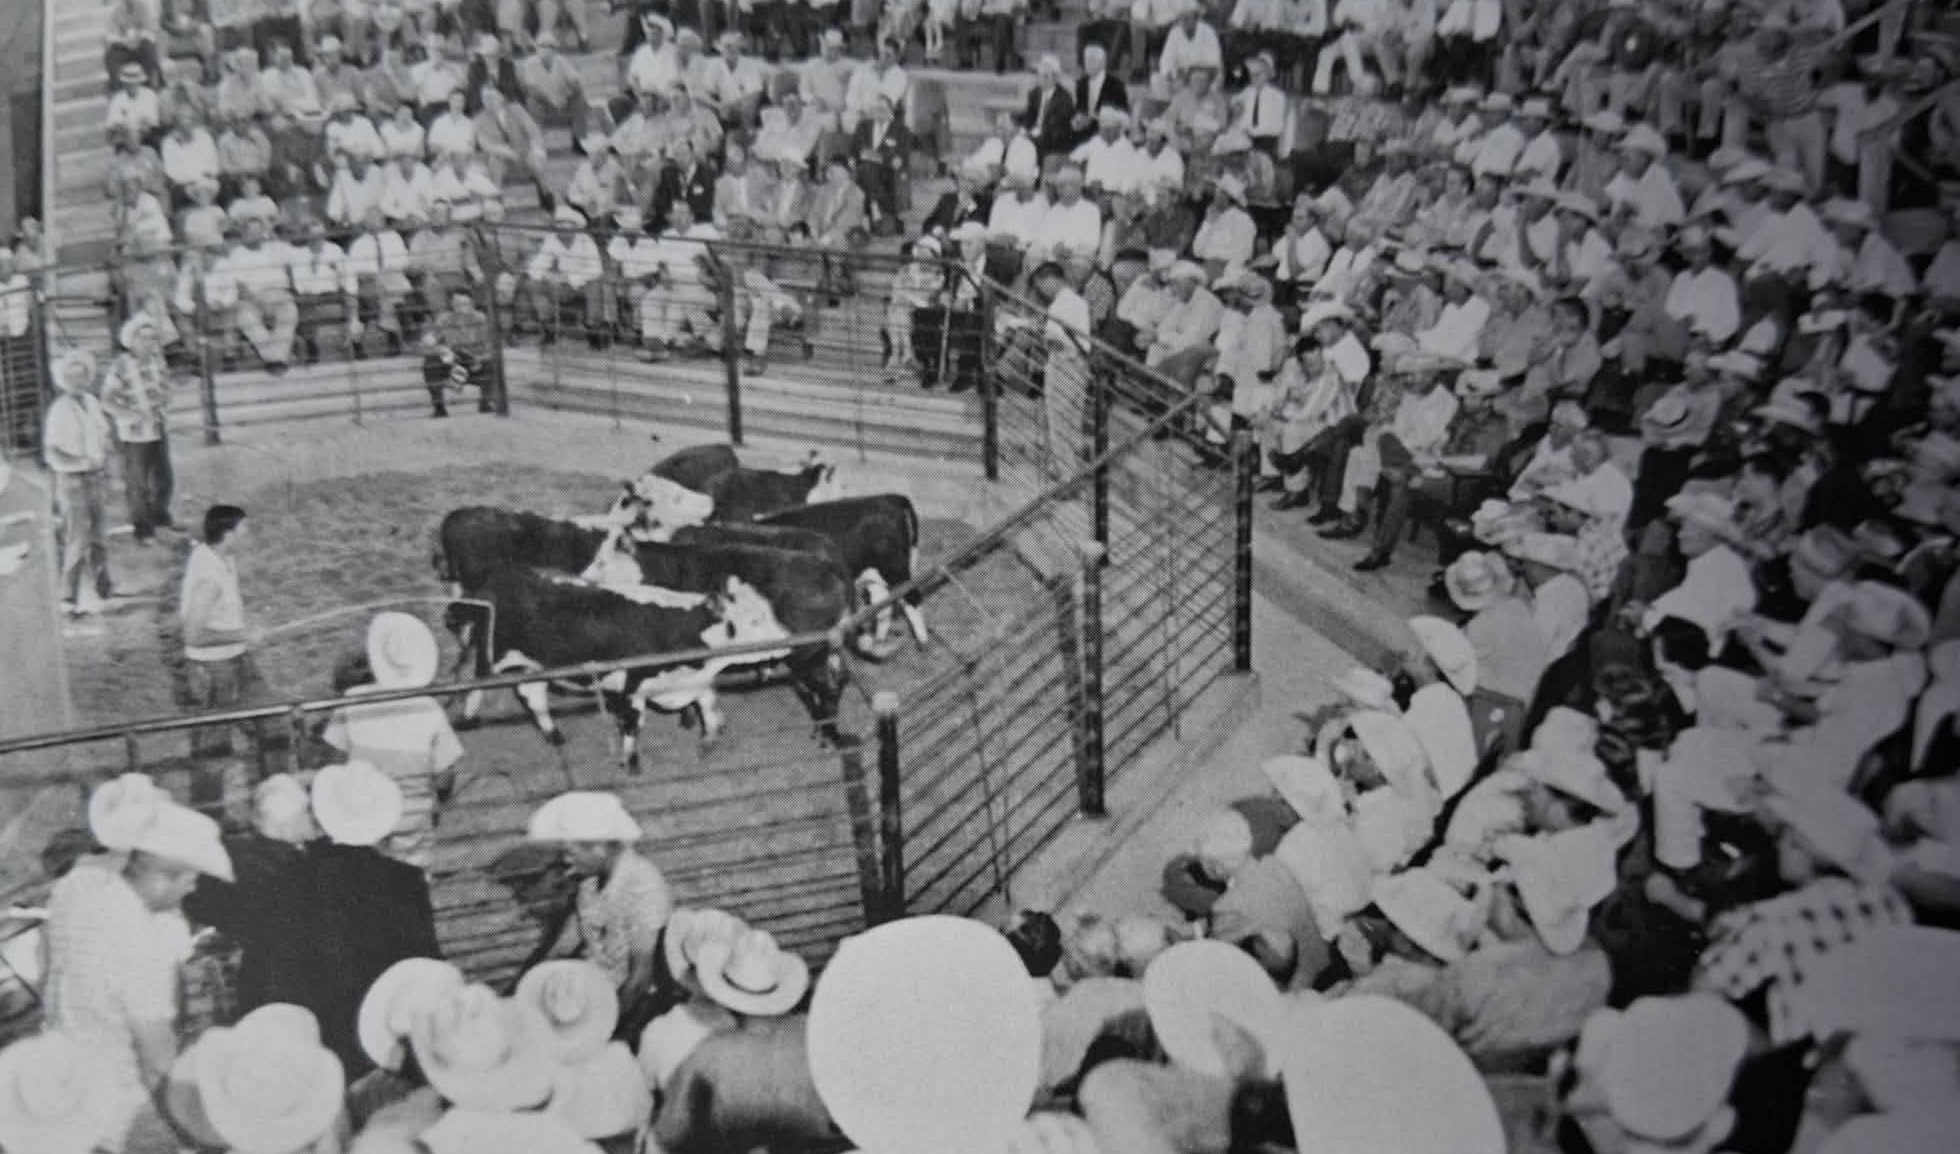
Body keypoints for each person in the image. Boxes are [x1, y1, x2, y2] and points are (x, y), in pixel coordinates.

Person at [42, 775, 233, 1153]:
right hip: (120, 1104)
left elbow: (49, 972)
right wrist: (200, 1134)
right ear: (162, 877)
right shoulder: (143, 944)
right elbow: (156, 1062)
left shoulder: (75, 886)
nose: (193, 889)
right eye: (190, 878)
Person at [323, 612, 466, 870]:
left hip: (363, 807)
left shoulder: (351, 702)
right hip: (412, 813)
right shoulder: (430, 709)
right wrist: (438, 800)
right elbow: (445, 776)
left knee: (367, 868)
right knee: (413, 870)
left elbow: (334, 762)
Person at [526, 790, 674, 1039]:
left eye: (573, 853)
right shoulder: (589, 880)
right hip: (593, 991)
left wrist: (600, 1034)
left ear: (600, 848)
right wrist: (530, 985)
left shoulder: (644, 886)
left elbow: (639, 979)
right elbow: (566, 942)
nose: (568, 861)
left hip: (632, 1005)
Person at [179, 502, 264, 809]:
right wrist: (243, 634)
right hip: (216, 669)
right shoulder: (209, 578)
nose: (249, 534)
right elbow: (193, 635)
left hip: (234, 660)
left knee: (266, 721)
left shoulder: (220, 556)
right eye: (244, 529)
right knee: (213, 745)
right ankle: (209, 812)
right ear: (228, 534)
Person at [42, 349, 116, 619]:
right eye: (71, 376)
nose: (78, 380)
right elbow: (51, 452)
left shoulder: (92, 403)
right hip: (72, 480)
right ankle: (67, 596)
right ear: (63, 379)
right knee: (77, 537)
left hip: (96, 477)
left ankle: (103, 588)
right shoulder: (58, 410)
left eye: (82, 374)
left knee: (99, 534)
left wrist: (105, 456)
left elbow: (104, 435)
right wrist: (82, 460)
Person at [99, 313, 176, 544]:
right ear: (131, 340)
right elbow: (107, 400)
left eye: (152, 339)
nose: (148, 343)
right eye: (143, 338)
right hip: (133, 434)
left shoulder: (158, 361)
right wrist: (131, 414)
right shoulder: (120, 366)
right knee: (138, 482)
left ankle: (159, 515)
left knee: (164, 478)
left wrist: (164, 401)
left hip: (158, 427)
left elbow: (166, 389)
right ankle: (142, 528)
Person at [421, 284, 495, 417]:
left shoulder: (480, 319)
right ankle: (439, 407)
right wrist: (436, 346)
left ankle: (486, 402)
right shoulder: (444, 319)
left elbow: (489, 346)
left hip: (475, 363)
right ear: (452, 304)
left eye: (464, 304)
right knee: (429, 363)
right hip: (452, 363)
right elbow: (430, 340)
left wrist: (480, 358)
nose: (460, 307)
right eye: (456, 304)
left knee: (493, 363)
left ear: (471, 303)